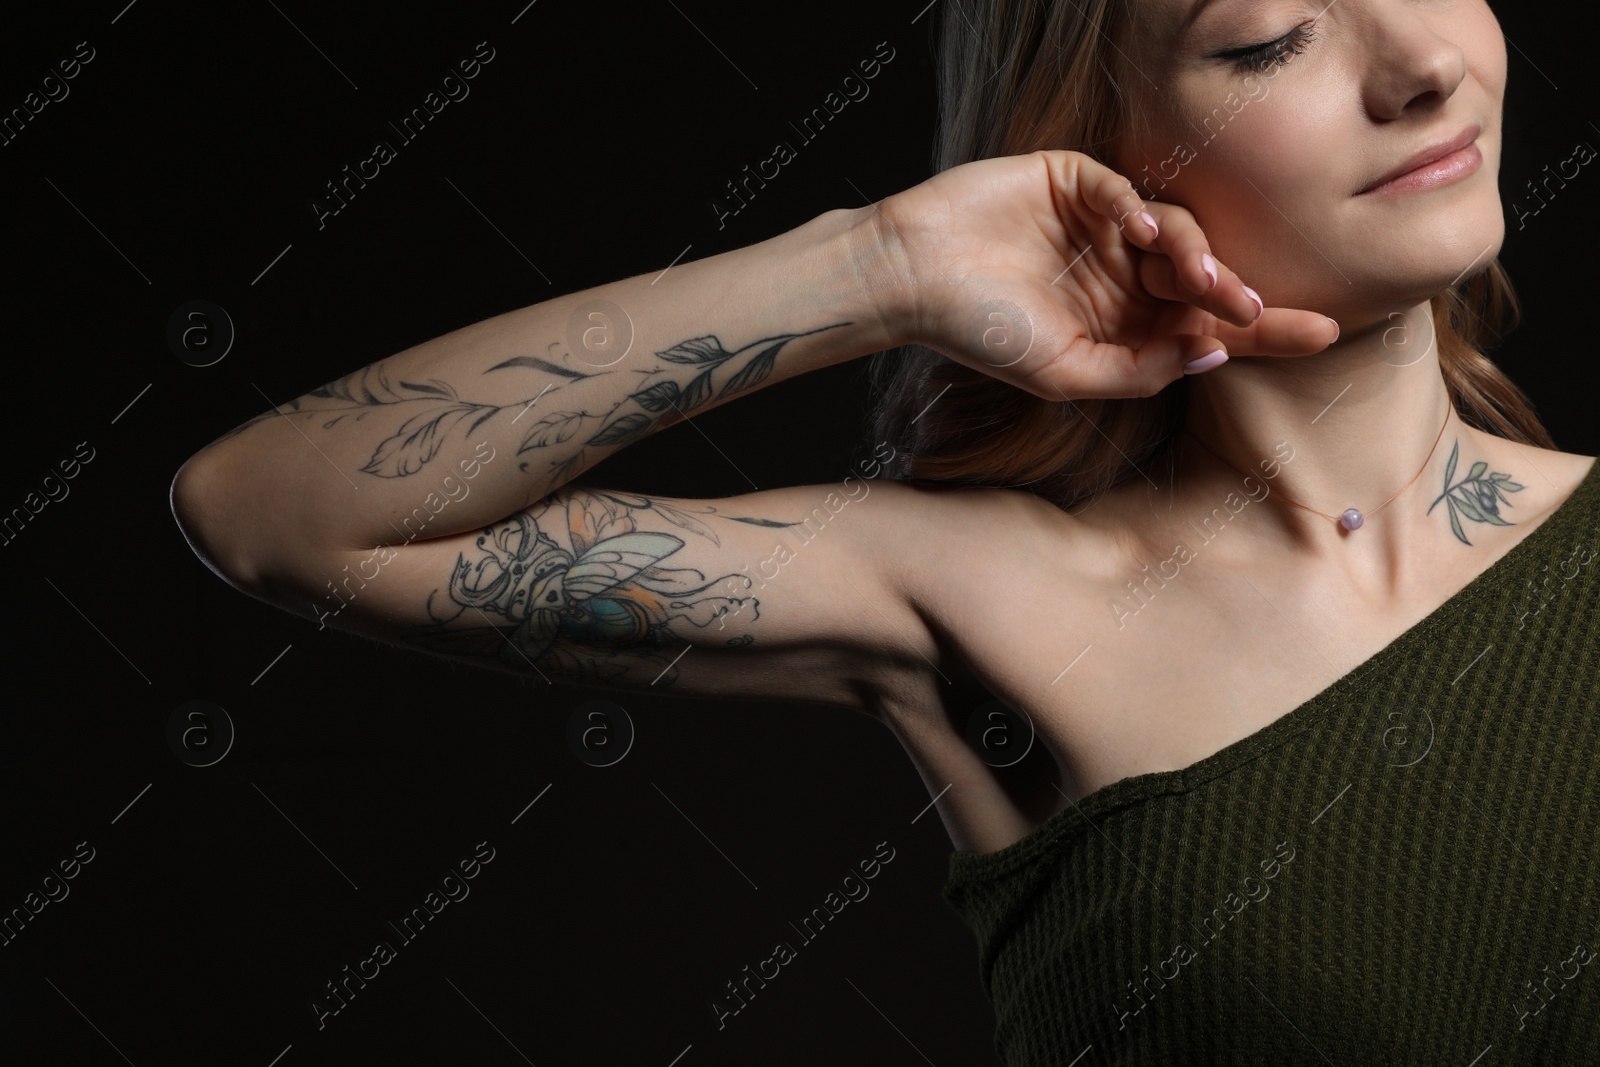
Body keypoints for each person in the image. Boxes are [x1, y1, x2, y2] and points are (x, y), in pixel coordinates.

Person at [172, 0, 1600, 1062]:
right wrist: (881, 266)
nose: (1423, 63)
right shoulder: (984, 601)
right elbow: (280, 511)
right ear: (1107, 149)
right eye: (1270, 36)